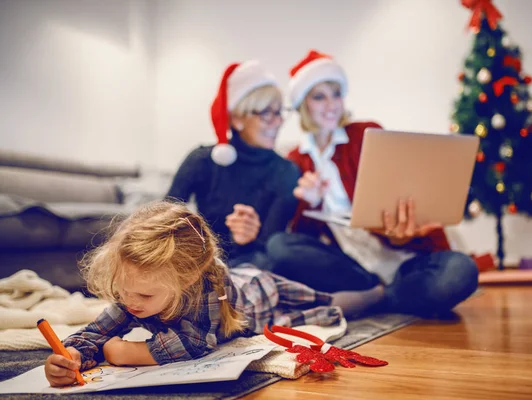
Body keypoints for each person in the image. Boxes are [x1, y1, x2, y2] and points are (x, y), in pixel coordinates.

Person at [44, 200, 388, 387]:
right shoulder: (137, 290)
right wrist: (73, 355)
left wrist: (121, 352)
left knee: (328, 304)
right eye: (124, 292)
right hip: (244, 285)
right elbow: (95, 334)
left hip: (262, 294)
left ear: (188, 277)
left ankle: (378, 291)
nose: (130, 304)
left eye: (144, 298)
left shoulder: (207, 290)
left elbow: (195, 344)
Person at [267, 50, 479, 317]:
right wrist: (309, 203)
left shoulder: (364, 134)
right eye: (319, 96)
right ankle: (388, 295)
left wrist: (401, 232)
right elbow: (304, 239)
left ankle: (378, 299)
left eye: (336, 94)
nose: (331, 104)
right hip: (351, 268)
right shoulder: (296, 160)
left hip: (402, 257)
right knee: (279, 246)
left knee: (462, 271)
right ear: (302, 104)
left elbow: (397, 191)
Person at [166, 60, 299, 269]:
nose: (278, 121)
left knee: (271, 257)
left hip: (253, 264)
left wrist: (249, 237)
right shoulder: (203, 161)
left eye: (279, 111)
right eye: (266, 113)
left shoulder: (287, 172)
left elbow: (271, 245)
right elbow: (164, 216)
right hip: (201, 258)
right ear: (237, 119)